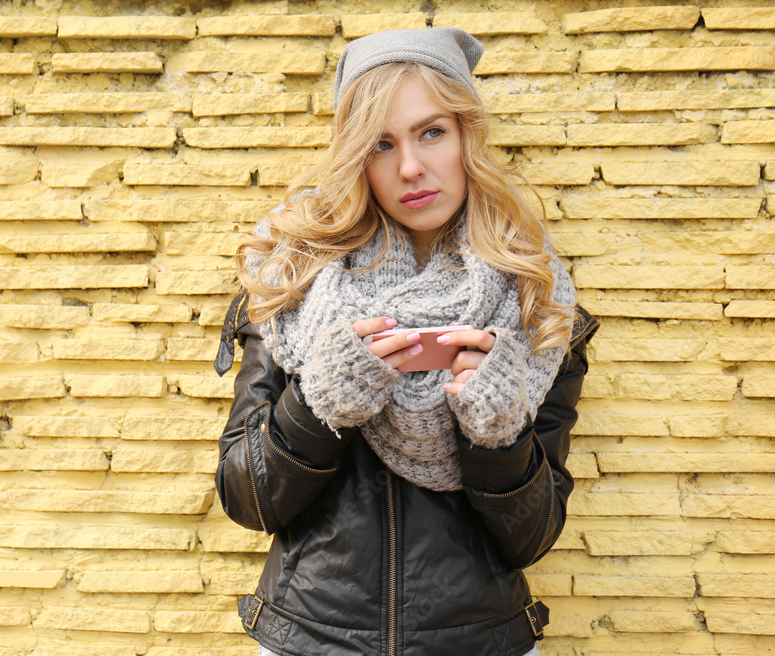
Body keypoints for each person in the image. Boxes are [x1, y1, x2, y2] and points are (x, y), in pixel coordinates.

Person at [213, 27, 598, 656]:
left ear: (467, 135)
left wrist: (497, 429)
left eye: (431, 132)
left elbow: (531, 538)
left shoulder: (536, 302)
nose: (411, 167)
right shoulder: (295, 285)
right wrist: (320, 402)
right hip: (313, 641)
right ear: (355, 158)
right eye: (380, 144)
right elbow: (246, 497)